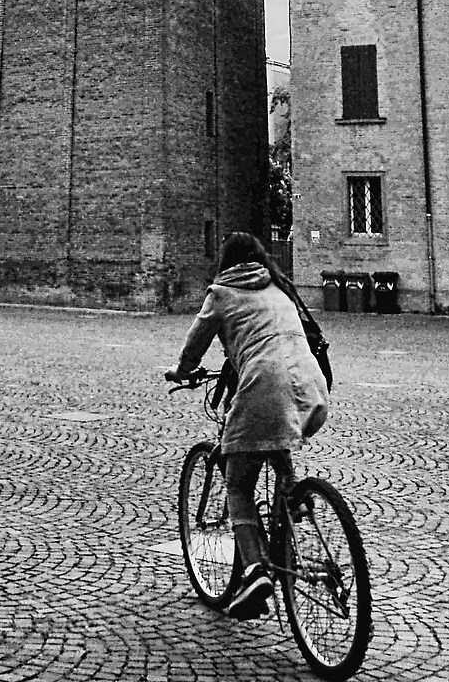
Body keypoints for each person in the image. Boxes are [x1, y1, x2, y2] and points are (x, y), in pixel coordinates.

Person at [166, 232, 330, 619]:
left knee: (238, 484)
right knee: (277, 438)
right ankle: (291, 499)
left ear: (225, 261)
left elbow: (195, 345)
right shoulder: (280, 288)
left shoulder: (222, 293)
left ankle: (256, 571)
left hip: (263, 387)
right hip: (311, 386)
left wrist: (182, 371)